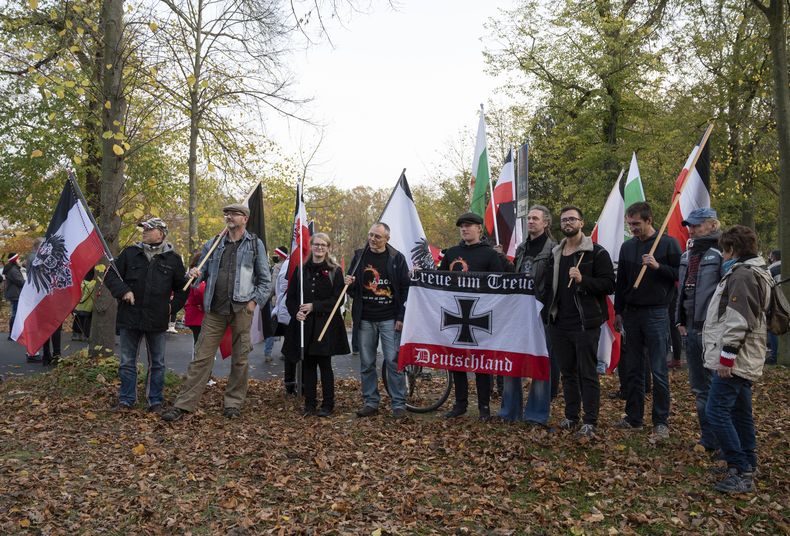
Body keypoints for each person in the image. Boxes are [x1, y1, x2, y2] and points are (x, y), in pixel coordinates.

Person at [162, 204, 269, 421]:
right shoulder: (214, 243)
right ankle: (184, 404)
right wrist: (195, 273)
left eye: (234, 214)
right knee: (201, 358)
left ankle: (233, 403)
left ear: (245, 218)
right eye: (227, 214)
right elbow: (201, 273)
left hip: (241, 310)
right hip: (214, 311)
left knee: (240, 359)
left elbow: (265, 281)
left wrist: (253, 302)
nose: (229, 217)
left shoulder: (254, 244)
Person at [703, 225, 772, 493]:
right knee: (740, 411)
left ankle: (741, 469)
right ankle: (747, 461)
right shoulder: (754, 270)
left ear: (732, 249)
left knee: (716, 411)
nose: (722, 255)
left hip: (737, 357)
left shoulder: (742, 274)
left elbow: (738, 319)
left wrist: (727, 358)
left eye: (724, 250)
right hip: (746, 354)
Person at [544, 206, 615, 438]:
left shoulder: (596, 252)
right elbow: (549, 287)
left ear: (581, 223)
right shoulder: (556, 252)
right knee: (568, 373)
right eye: (564, 220)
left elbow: (609, 285)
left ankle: (590, 420)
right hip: (559, 323)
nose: (568, 223)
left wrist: (583, 280)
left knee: (587, 373)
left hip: (585, 323)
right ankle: (571, 416)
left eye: (572, 219)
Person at [103, 218, 188, 412]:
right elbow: (110, 274)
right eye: (144, 229)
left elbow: (183, 289)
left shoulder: (173, 259)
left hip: (157, 319)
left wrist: (171, 308)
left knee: (157, 363)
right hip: (130, 316)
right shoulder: (130, 253)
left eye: (149, 229)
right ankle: (126, 400)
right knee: (127, 361)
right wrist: (123, 291)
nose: (144, 231)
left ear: (161, 233)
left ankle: (155, 401)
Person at [613, 202, 681, 440]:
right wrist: (618, 311)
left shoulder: (668, 244)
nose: (632, 228)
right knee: (633, 368)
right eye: (630, 224)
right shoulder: (627, 247)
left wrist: (658, 266)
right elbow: (621, 282)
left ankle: (661, 421)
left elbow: (680, 275)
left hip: (656, 313)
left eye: (636, 224)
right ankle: (634, 417)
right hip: (631, 314)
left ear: (649, 220)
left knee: (659, 369)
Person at [438, 211, 504, 421]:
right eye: (462, 226)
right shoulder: (451, 253)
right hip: (455, 314)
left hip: (480, 316)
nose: (464, 229)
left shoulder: (490, 255)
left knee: (482, 362)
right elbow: (438, 281)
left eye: (468, 225)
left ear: (479, 229)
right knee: (456, 360)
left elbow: (500, 285)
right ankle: (460, 404)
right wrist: (418, 276)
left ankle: (484, 406)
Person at [498, 205, 557, 425]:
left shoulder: (554, 249)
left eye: (535, 218)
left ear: (546, 222)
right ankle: (510, 411)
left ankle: (536, 414)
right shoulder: (522, 248)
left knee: (540, 363)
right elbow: (516, 277)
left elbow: (552, 285)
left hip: (541, 313)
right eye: (529, 218)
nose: (530, 221)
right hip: (518, 313)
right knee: (511, 359)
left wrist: (547, 310)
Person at [345, 222, 410, 419]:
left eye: (377, 236)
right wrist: (349, 284)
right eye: (371, 235)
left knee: (393, 362)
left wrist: (401, 317)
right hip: (365, 318)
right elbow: (352, 290)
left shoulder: (397, 258)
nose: (372, 239)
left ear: (387, 239)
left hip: (389, 318)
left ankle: (398, 404)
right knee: (367, 363)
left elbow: (405, 289)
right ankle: (371, 402)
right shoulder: (359, 256)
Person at [282, 233, 349, 417]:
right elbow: (291, 298)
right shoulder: (301, 269)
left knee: (325, 365)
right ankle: (310, 404)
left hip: (325, 325)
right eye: (316, 244)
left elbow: (338, 299)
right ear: (311, 246)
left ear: (328, 248)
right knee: (308, 365)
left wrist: (315, 306)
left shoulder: (335, 271)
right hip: (305, 325)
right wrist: (295, 312)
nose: (319, 248)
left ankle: (328, 404)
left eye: (323, 245)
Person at [675, 207, 723, 452]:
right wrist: (678, 320)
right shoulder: (687, 254)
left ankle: (725, 440)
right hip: (691, 330)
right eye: (690, 226)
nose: (691, 230)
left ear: (712, 225)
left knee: (718, 387)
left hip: (713, 331)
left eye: (696, 225)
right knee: (699, 387)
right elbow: (683, 291)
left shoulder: (722, 253)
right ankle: (708, 438)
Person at [263, 246, 288, 362]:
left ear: (281, 255)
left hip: (276, 301)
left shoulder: (277, 267)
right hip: (287, 301)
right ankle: (285, 352)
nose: (275, 256)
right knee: (287, 326)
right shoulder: (291, 265)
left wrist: (266, 297)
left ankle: (267, 353)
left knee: (271, 327)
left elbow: (273, 286)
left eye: (277, 254)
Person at [183, 252, 206, 346]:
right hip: (199, 316)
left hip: (193, 314)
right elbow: (200, 292)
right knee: (201, 345)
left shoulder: (190, 276)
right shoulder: (199, 276)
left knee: (197, 343)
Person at [3, 253, 24, 342]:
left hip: (14, 293)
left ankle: (14, 334)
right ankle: (12, 335)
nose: (20, 260)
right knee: (15, 314)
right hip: (15, 294)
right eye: (18, 259)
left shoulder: (12, 269)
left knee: (15, 314)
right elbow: (21, 282)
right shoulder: (13, 270)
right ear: (15, 260)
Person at [766, 249, 781, 365]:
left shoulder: (771, 269)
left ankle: (774, 356)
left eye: (770, 256)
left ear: (774, 257)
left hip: (777, 302)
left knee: (773, 328)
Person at [72, 268, 96, 341]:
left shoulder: (82, 283)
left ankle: (76, 334)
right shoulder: (93, 284)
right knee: (87, 321)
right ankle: (86, 335)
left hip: (79, 305)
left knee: (78, 319)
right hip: (88, 306)